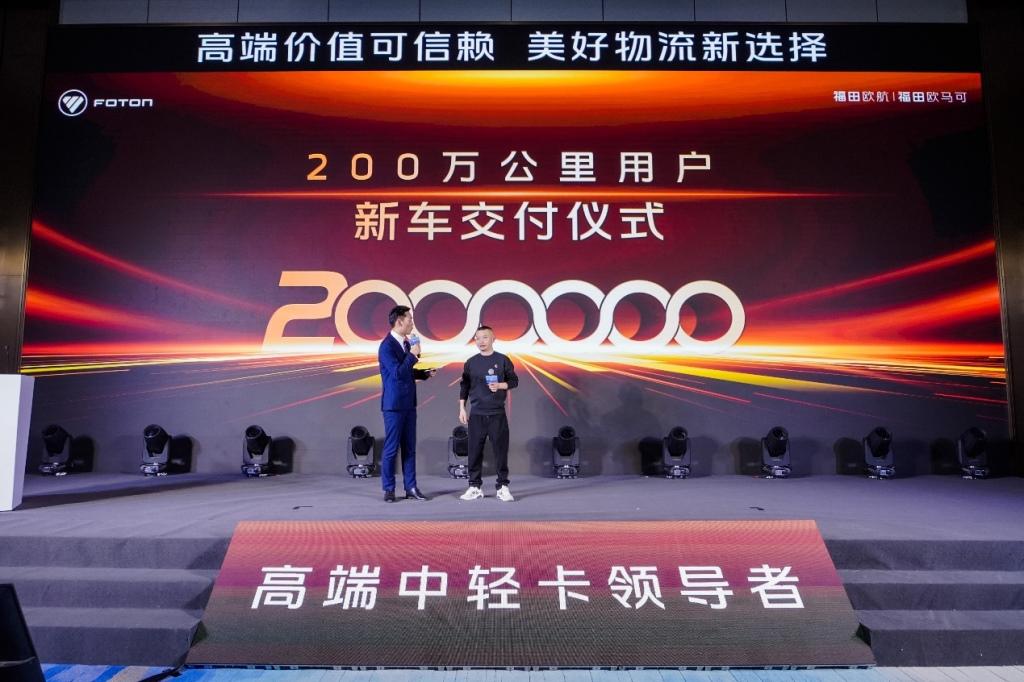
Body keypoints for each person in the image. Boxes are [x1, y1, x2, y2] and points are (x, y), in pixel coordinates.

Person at [378, 305, 434, 503]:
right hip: (393, 405)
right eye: (409, 319)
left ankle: (411, 487)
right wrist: (413, 355)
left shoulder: (405, 343)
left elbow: (406, 371)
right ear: (399, 321)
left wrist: (423, 373)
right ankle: (389, 489)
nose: (412, 323)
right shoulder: (386, 346)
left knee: (410, 448)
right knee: (392, 448)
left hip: (409, 403)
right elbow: (396, 373)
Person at [458, 325, 518, 501]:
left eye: (485, 337)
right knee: (474, 451)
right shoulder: (471, 362)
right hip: (477, 414)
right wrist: (462, 408)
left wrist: (500, 385)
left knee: (500, 451)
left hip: (497, 413)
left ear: (493, 339)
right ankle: (474, 487)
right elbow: (464, 386)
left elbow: (514, 381)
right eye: (477, 338)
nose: (481, 341)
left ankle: (503, 487)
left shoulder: (503, 360)